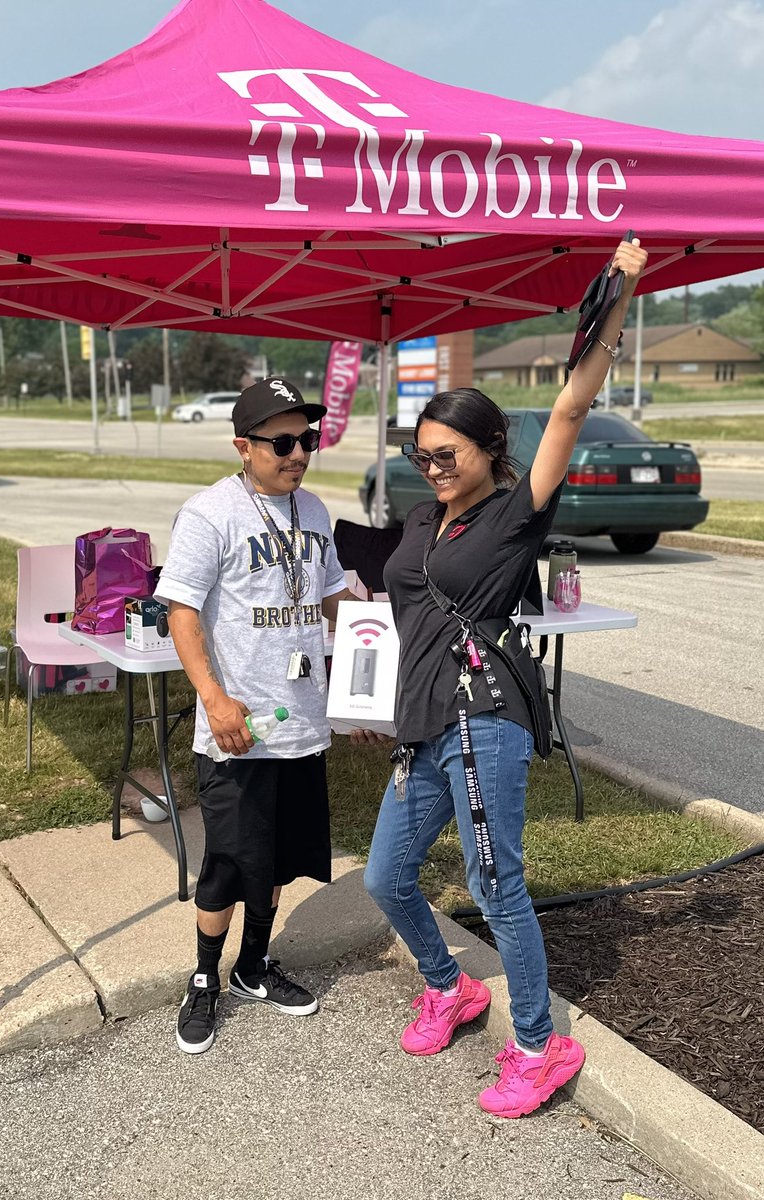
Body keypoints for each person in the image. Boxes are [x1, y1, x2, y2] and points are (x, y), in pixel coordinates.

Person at [363, 238, 648, 1116]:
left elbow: (567, 411)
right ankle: (452, 986)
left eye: (449, 453)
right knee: (386, 876)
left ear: (490, 449)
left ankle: (539, 1044)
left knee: (496, 885)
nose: (435, 467)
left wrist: (621, 295)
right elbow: (385, 584)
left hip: (483, 718)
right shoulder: (421, 519)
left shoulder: (515, 518)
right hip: (421, 724)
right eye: (423, 455)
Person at [156, 376, 361, 1055]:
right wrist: (213, 699)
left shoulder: (317, 512)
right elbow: (181, 611)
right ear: (244, 446)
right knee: (226, 865)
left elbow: (335, 602)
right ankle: (203, 978)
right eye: (282, 442)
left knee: (275, 861)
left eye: (306, 439)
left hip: (301, 722)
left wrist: (373, 672)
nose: (298, 452)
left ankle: (252, 967)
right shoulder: (210, 513)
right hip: (239, 726)